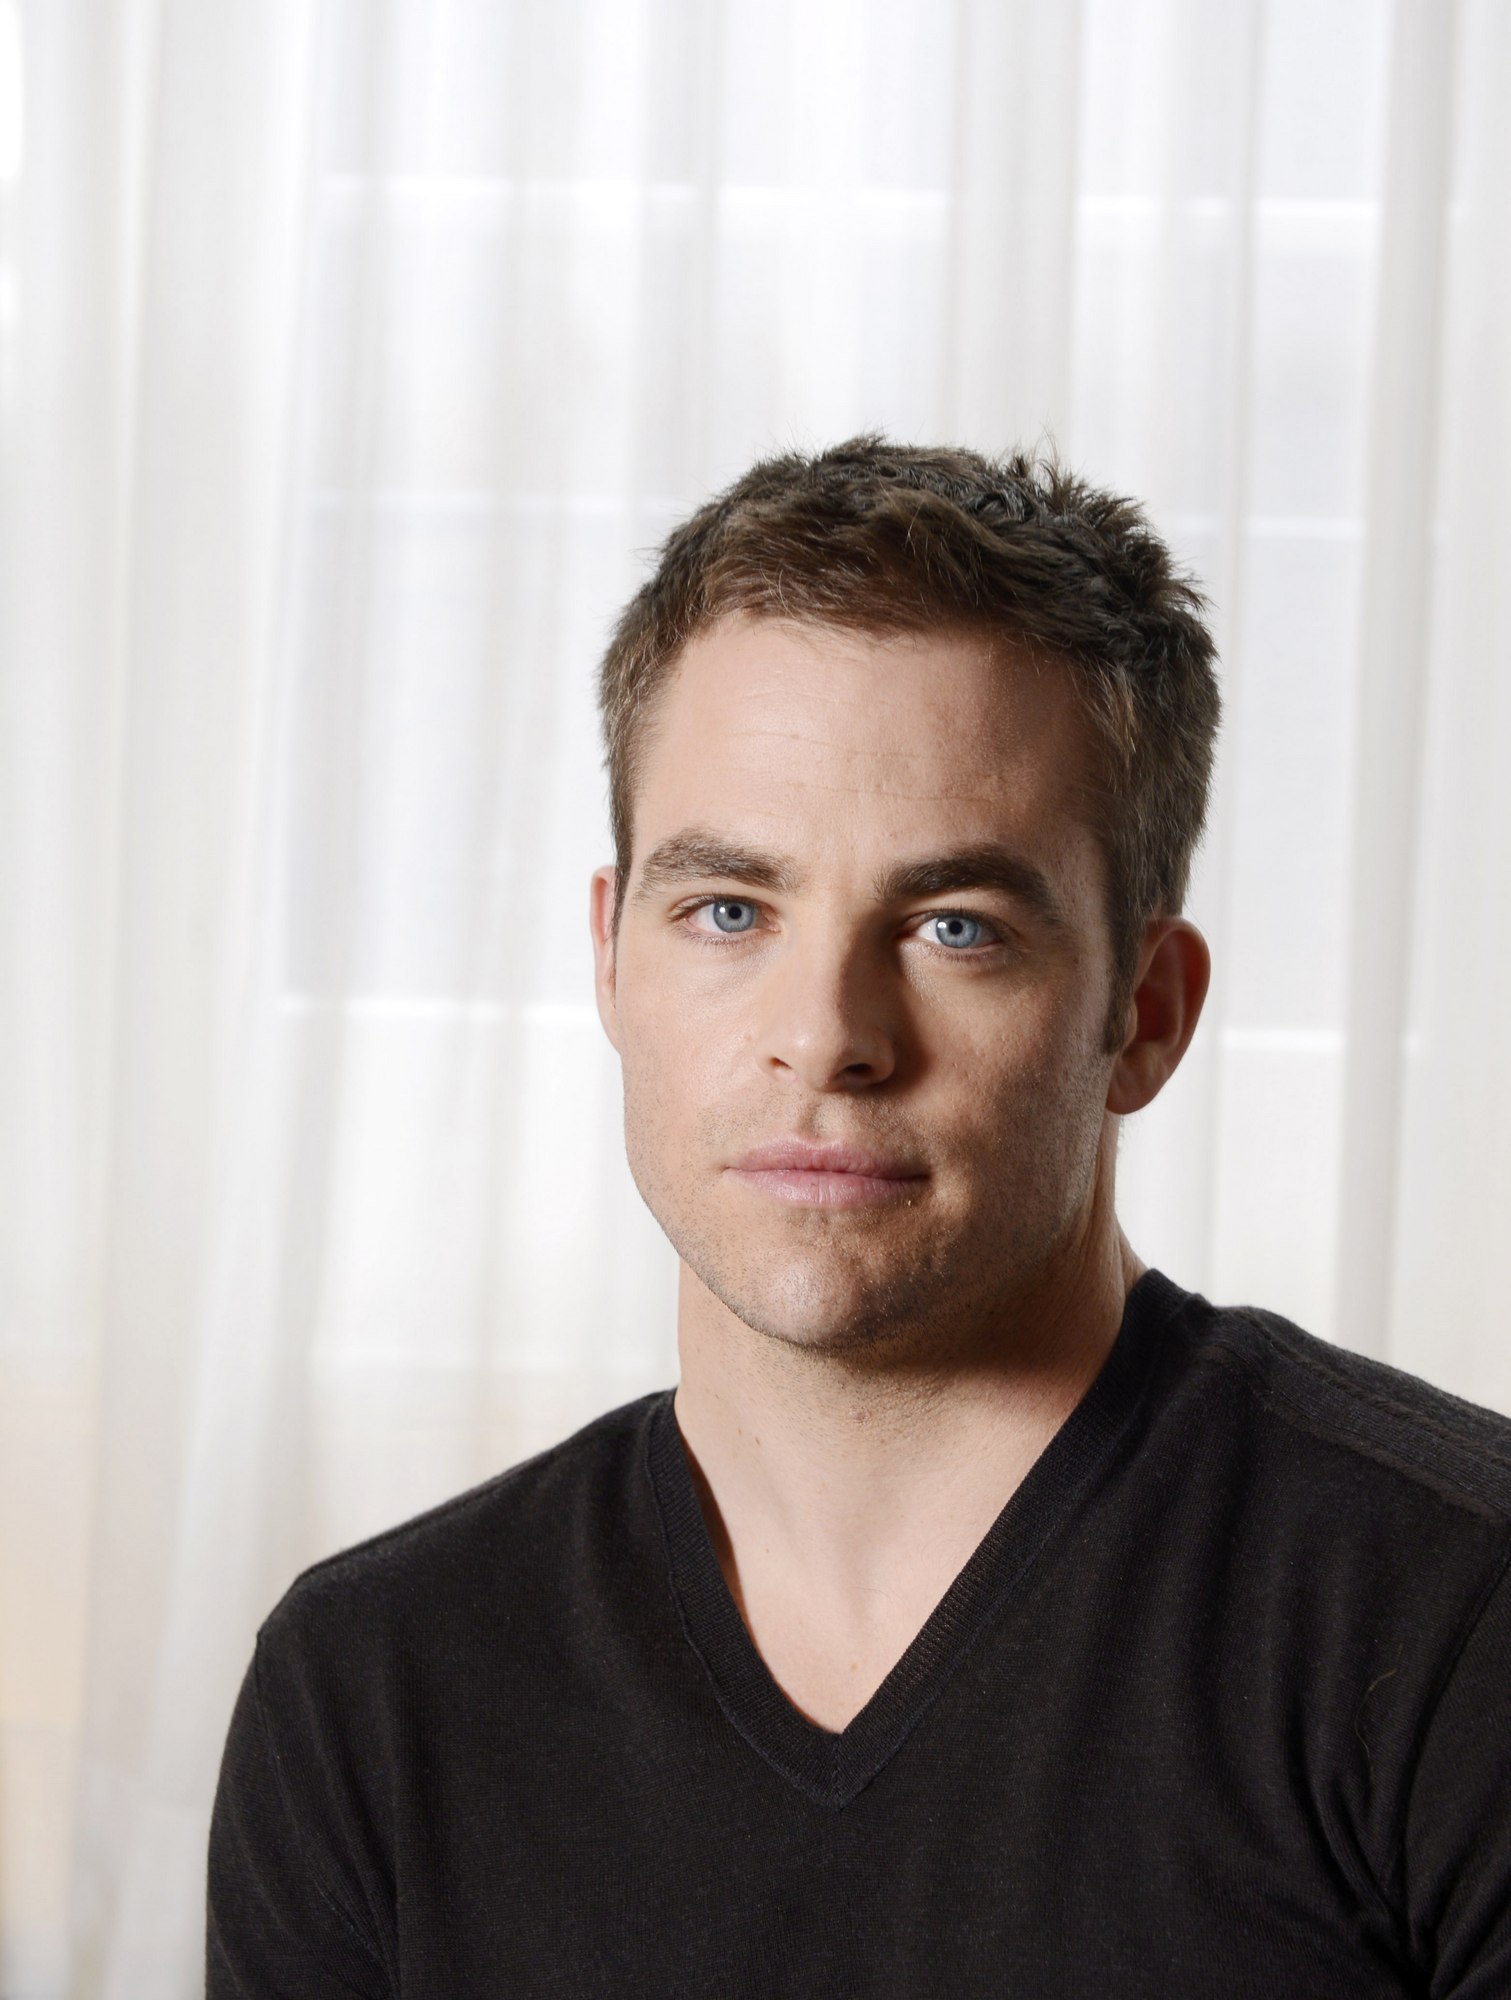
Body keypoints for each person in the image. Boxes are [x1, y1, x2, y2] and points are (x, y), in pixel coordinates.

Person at [207, 438, 1511, 1997]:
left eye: (955, 926)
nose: (827, 1034)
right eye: (730, 911)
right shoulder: (373, 1689)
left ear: (1146, 1013)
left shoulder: (1457, 1624)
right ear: (612, 958)